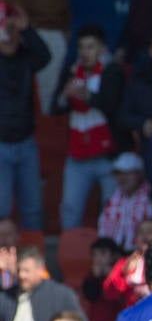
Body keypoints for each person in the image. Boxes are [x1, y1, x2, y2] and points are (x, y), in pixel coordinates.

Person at [56, 25, 125, 229]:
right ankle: (67, 255)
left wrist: (87, 95)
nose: (85, 53)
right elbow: (54, 107)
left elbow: (112, 106)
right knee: (70, 208)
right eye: (81, 48)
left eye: (91, 47)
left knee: (110, 209)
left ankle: (110, 257)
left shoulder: (113, 71)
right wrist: (65, 95)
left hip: (107, 155)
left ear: (102, 49)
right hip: (77, 155)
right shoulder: (71, 71)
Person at [0, 2, 49, 229]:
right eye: (3, 29)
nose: (8, 35)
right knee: (1, 208)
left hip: (26, 143)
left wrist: (26, 28)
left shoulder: (26, 57)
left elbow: (45, 56)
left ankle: (33, 261)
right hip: (1, 146)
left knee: (32, 209)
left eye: (11, 30)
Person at [5, 246, 85, 321]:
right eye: (19, 270)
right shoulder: (7, 296)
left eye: (26, 271)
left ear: (40, 270)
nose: (21, 275)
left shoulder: (61, 294)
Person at [97, 153, 152, 252]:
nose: (122, 179)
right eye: (119, 174)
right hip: (114, 255)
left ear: (139, 175)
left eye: (127, 173)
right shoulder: (111, 201)